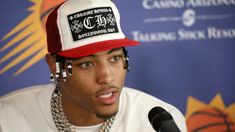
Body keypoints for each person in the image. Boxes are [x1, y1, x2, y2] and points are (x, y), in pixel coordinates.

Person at [0, 0, 187, 131]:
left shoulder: (162, 123)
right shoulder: (6, 120)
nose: (106, 77)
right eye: (87, 64)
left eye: (114, 58)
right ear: (54, 66)